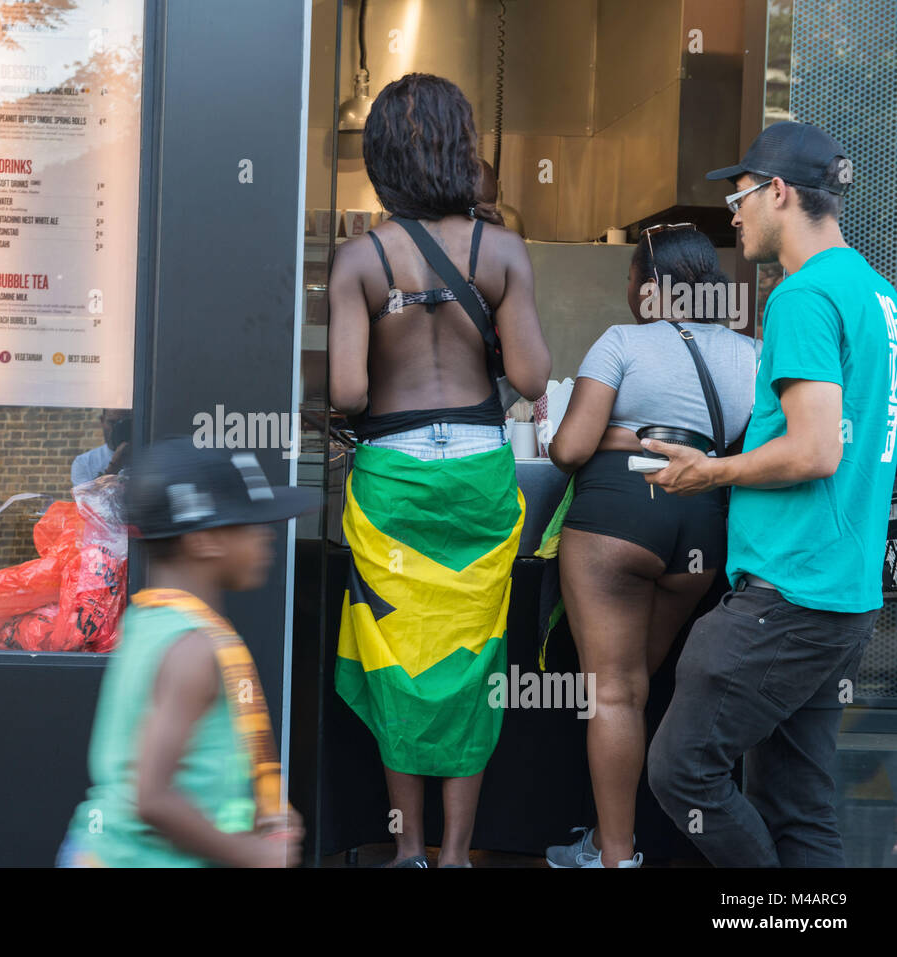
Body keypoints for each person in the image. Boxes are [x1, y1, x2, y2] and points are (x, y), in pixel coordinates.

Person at [644, 121, 897, 866]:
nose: (733, 212)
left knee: (680, 771)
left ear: (778, 192)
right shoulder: (879, 296)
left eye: (740, 195)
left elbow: (817, 447)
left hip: (786, 591)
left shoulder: (802, 295)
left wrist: (706, 471)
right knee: (800, 805)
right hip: (844, 595)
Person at [327, 73, 550, 868]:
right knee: (473, 655)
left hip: (394, 478)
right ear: (465, 152)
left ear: (382, 159)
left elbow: (348, 390)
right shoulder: (503, 251)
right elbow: (531, 376)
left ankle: (406, 850)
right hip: (482, 478)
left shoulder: (360, 258)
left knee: (397, 653)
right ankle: (457, 853)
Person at [544, 225, 757, 868]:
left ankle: (616, 856)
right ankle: (620, 842)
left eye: (632, 276)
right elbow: (745, 452)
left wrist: (622, 436)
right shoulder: (752, 352)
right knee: (637, 689)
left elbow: (567, 449)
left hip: (619, 522)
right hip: (702, 535)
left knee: (613, 693)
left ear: (649, 283)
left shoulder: (622, 342)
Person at [58, 437, 317, 866]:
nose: (267, 539)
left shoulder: (151, 620)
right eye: (251, 526)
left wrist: (244, 816)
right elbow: (153, 797)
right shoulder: (193, 648)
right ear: (204, 540)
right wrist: (251, 855)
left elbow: (192, 769)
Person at [71, 409, 131, 485]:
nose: (117, 428)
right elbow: (89, 496)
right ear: (102, 421)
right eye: (112, 422)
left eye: (122, 423)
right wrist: (114, 465)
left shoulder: (143, 457)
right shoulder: (84, 462)